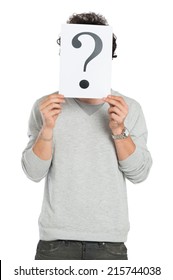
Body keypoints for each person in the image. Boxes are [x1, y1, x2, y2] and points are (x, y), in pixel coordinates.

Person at [21, 12, 152, 260]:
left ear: (108, 58)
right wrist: (47, 129)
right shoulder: (46, 106)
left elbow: (140, 173)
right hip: (54, 243)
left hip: (109, 243)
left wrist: (118, 130)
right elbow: (33, 172)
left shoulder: (129, 108)